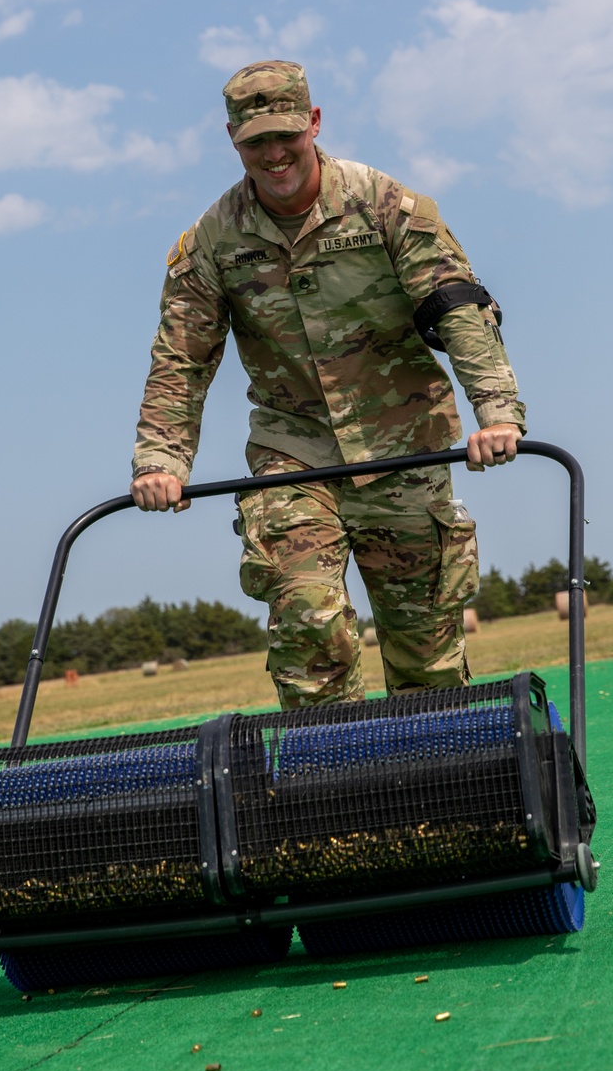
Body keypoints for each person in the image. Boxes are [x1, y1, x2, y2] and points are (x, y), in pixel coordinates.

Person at [130, 60, 525, 706]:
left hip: (406, 444)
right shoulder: (211, 240)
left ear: (313, 122)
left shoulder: (389, 206)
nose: (275, 153)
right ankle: (334, 796)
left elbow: (456, 306)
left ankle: (445, 802)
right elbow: (181, 357)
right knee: (307, 626)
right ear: (233, 139)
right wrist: (161, 460)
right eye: (256, 140)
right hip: (296, 454)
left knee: (425, 652)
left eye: (286, 133)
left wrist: (498, 413)